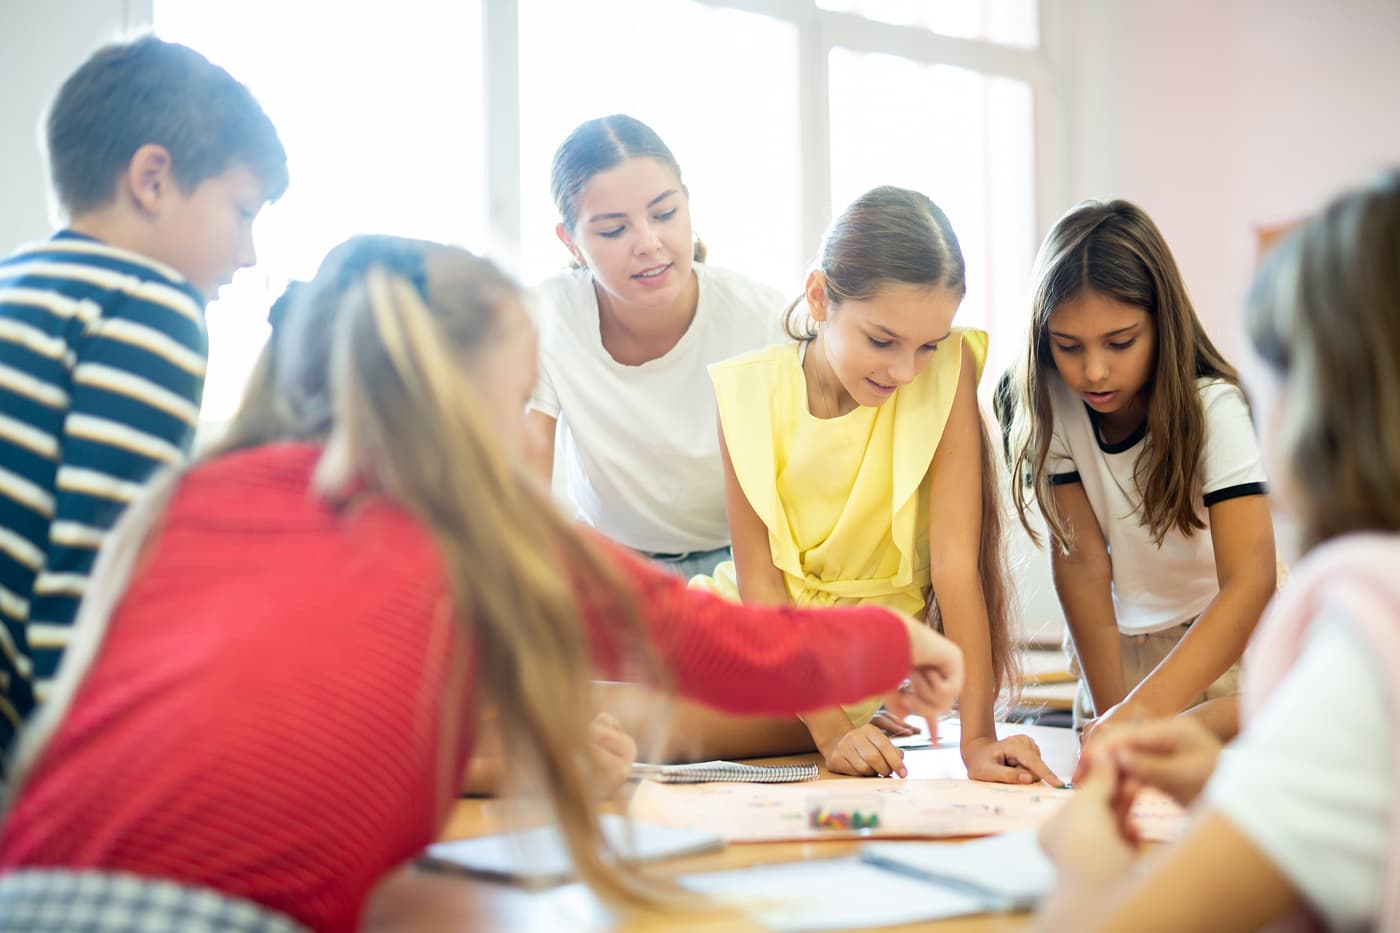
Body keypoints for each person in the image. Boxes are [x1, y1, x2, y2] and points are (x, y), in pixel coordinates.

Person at [0, 235, 964, 933]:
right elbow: (714, 643)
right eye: (516, 400)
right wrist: (900, 643)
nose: (523, 431)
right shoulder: (474, 525)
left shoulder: (187, 500)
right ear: (457, 401)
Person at [1037, 172, 1400, 932]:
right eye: (1070, 347)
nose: (1093, 369)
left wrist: (1085, 858)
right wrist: (1223, 781)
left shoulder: (1369, 632)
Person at [691, 186, 1056, 785]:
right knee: (554, 672)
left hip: (831, 678)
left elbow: (956, 569)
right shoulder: (747, 393)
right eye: (882, 341)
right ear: (818, 298)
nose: (904, 370)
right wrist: (833, 733)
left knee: (612, 718)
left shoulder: (946, 373)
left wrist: (979, 740)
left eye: (926, 346)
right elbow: (758, 585)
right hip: (742, 627)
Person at [0, 35, 287, 760]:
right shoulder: (148, 308)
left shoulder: (19, 283)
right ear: (153, 178)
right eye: (243, 211)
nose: (247, 253)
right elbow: (89, 584)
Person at [1004, 199, 1277, 740]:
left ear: (1162, 323)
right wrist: (1116, 715)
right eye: (1068, 346)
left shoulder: (1214, 409)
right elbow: (1081, 564)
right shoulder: (1050, 404)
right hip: (1121, 650)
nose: (1095, 370)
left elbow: (1250, 582)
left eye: (1120, 342)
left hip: (1229, 645)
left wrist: (1139, 716)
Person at [526, 114, 786, 580]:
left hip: (742, 563)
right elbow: (521, 490)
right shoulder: (547, 317)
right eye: (612, 230)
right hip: (608, 567)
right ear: (572, 242)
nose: (649, 243)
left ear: (687, 204)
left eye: (665, 214)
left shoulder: (763, 318)